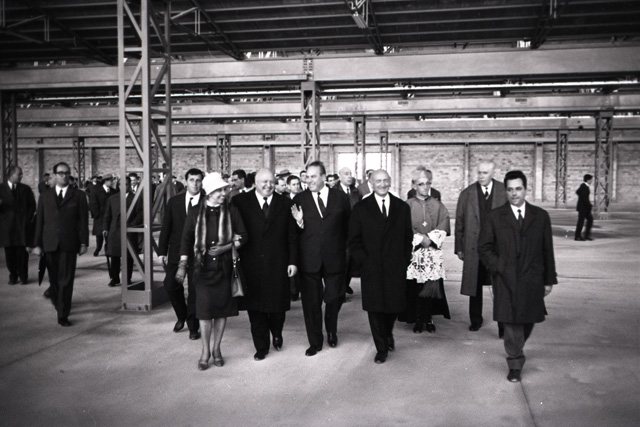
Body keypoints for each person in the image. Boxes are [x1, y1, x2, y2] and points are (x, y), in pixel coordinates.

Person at [478, 170, 557, 383]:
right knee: (511, 322)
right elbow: (484, 247)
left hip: (532, 278)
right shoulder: (495, 216)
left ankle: (517, 348)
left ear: (525, 189)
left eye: (518, 189)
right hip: (506, 279)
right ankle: (514, 362)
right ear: (505, 191)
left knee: (528, 320)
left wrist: (549, 279)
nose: (514, 193)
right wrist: (499, 266)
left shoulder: (540, 216)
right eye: (510, 189)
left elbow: (547, 250)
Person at [178, 172, 247, 370]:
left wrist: (226, 247)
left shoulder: (231, 210)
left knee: (221, 311)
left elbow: (244, 236)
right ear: (210, 192)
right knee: (205, 312)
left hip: (224, 269)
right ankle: (205, 352)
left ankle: (216, 349)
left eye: (225, 190)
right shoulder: (195, 212)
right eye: (220, 191)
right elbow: (186, 239)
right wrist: (182, 264)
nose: (224, 193)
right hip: (202, 270)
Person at [348, 169, 413, 364]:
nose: (382, 184)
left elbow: (407, 236)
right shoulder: (361, 208)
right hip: (372, 267)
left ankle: (387, 333)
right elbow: (354, 240)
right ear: (371, 183)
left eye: (385, 180)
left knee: (394, 306)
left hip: (395, 266)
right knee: (375, 308)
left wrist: (404, 259)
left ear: (390, 181)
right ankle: (381, 348)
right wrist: (364, 262)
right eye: (378, 181)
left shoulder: (402, 207)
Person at [232, 169, 298, 361]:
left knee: (278, 306)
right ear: (255, 182)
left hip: (278, 262)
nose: (268, 185)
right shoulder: (240, 202)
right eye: (264, 182)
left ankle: (277, 332)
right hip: (251, 264)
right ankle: (261, 346)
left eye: (271, 182)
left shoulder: (285, 203)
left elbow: (292, 236)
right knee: (255, 308)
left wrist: (293, 261)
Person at [291, 160, 350, 356]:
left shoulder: (340, 197)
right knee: (311, 303)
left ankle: (331, 330)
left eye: (314, 176)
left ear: (324, 177)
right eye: (307, 177)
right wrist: (299, 223)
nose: (309, 180)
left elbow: (348, 227)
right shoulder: (299, 199)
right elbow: (292, 233)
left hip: (335, 258)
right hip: (309, 259)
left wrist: (345, 251)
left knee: (334, 298)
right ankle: (315, 341)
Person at [33, 162, 89, 327]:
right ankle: (58, 301)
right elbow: (39, 221)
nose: (64, 176)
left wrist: (84, 242)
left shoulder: (78, 195)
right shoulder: (45, 196)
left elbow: (83, 221)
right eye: (60, 173)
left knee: (66, 279)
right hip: (50, 242)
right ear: (54, 175)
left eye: (66, 173)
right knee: (54, 279)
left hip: (69, 243)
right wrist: (37, 244)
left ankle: (63, 313)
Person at [455, 160, 506, 334]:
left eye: (485, 173)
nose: (481, 176)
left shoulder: (503, 191)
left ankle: (503, 325)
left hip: (497, 249)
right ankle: (475, 320)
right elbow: (460, 222)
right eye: (479, 172)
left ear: (492, 173)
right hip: (473, 248)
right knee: (474, 286)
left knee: (500, 287)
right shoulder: (467, 194)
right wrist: (459, 247)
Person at [158, 168, 205, 340]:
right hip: (177, 251)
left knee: (194, 291)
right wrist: (162, 251)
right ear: (186, 181)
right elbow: (166, 227)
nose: (195, 184)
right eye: (192, 180)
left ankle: (193, 326)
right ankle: (182, 315)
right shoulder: (174, 201)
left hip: (198, 253)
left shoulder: (207, 201)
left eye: (198, 180)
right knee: (170, 285)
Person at [402, 168, 451, 333]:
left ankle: (428, 318)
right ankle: (417, 319)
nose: (425, 187)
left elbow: (444, 224)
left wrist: (430, 238)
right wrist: (419, 239)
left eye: (427, 183)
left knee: (430, 288)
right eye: (421, 184)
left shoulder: (437, 205)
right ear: (414, 185)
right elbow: (402, 228)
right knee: (415, 288)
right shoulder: (406, 205)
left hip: (431, 254)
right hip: (414, 253)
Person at [0, 166, 36, 285]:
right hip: (7, 227)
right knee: (9, 253)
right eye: (19, 174)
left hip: (22, 226)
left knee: (22, 253)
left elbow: (32, 205)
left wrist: (27, 219)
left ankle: (23, 276)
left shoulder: (26, 189)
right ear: (11, 174)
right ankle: (13, 276)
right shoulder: (1, 189)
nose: (21, 176)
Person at [103, 176, 141, 287]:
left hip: (129, 231)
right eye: (121, 184)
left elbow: (140, 214)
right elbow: (107, 215)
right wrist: (105, 228)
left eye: (126, 184)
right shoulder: (112, 198)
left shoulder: (135, 198)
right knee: (114, 256)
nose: (123, 186)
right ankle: (114, 278)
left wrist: (131, 225)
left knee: (128, 256)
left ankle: (127, 278)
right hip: (115, 231)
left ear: (129, 185)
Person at [335, 166, 362, 295]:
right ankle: (339, 288)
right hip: (338, 231)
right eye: (346, 174)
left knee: (351, 260)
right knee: (340, 260)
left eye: (350, 173)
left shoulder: (356, 192)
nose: (349, 176)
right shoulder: (334, 191)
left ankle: (345, 284)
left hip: (353, 230)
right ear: (339, 176)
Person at [575, 174, 594, 241]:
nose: (591, 181)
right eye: (591, 180)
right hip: (583, 208)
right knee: (581, 222)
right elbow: (585, 198)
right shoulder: (584, 186)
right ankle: (578, 236)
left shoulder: (584, 186)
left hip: (584, 207)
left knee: (589, 220)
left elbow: (577, 192)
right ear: (588, 180)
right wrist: (589, 205)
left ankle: (586, 235)